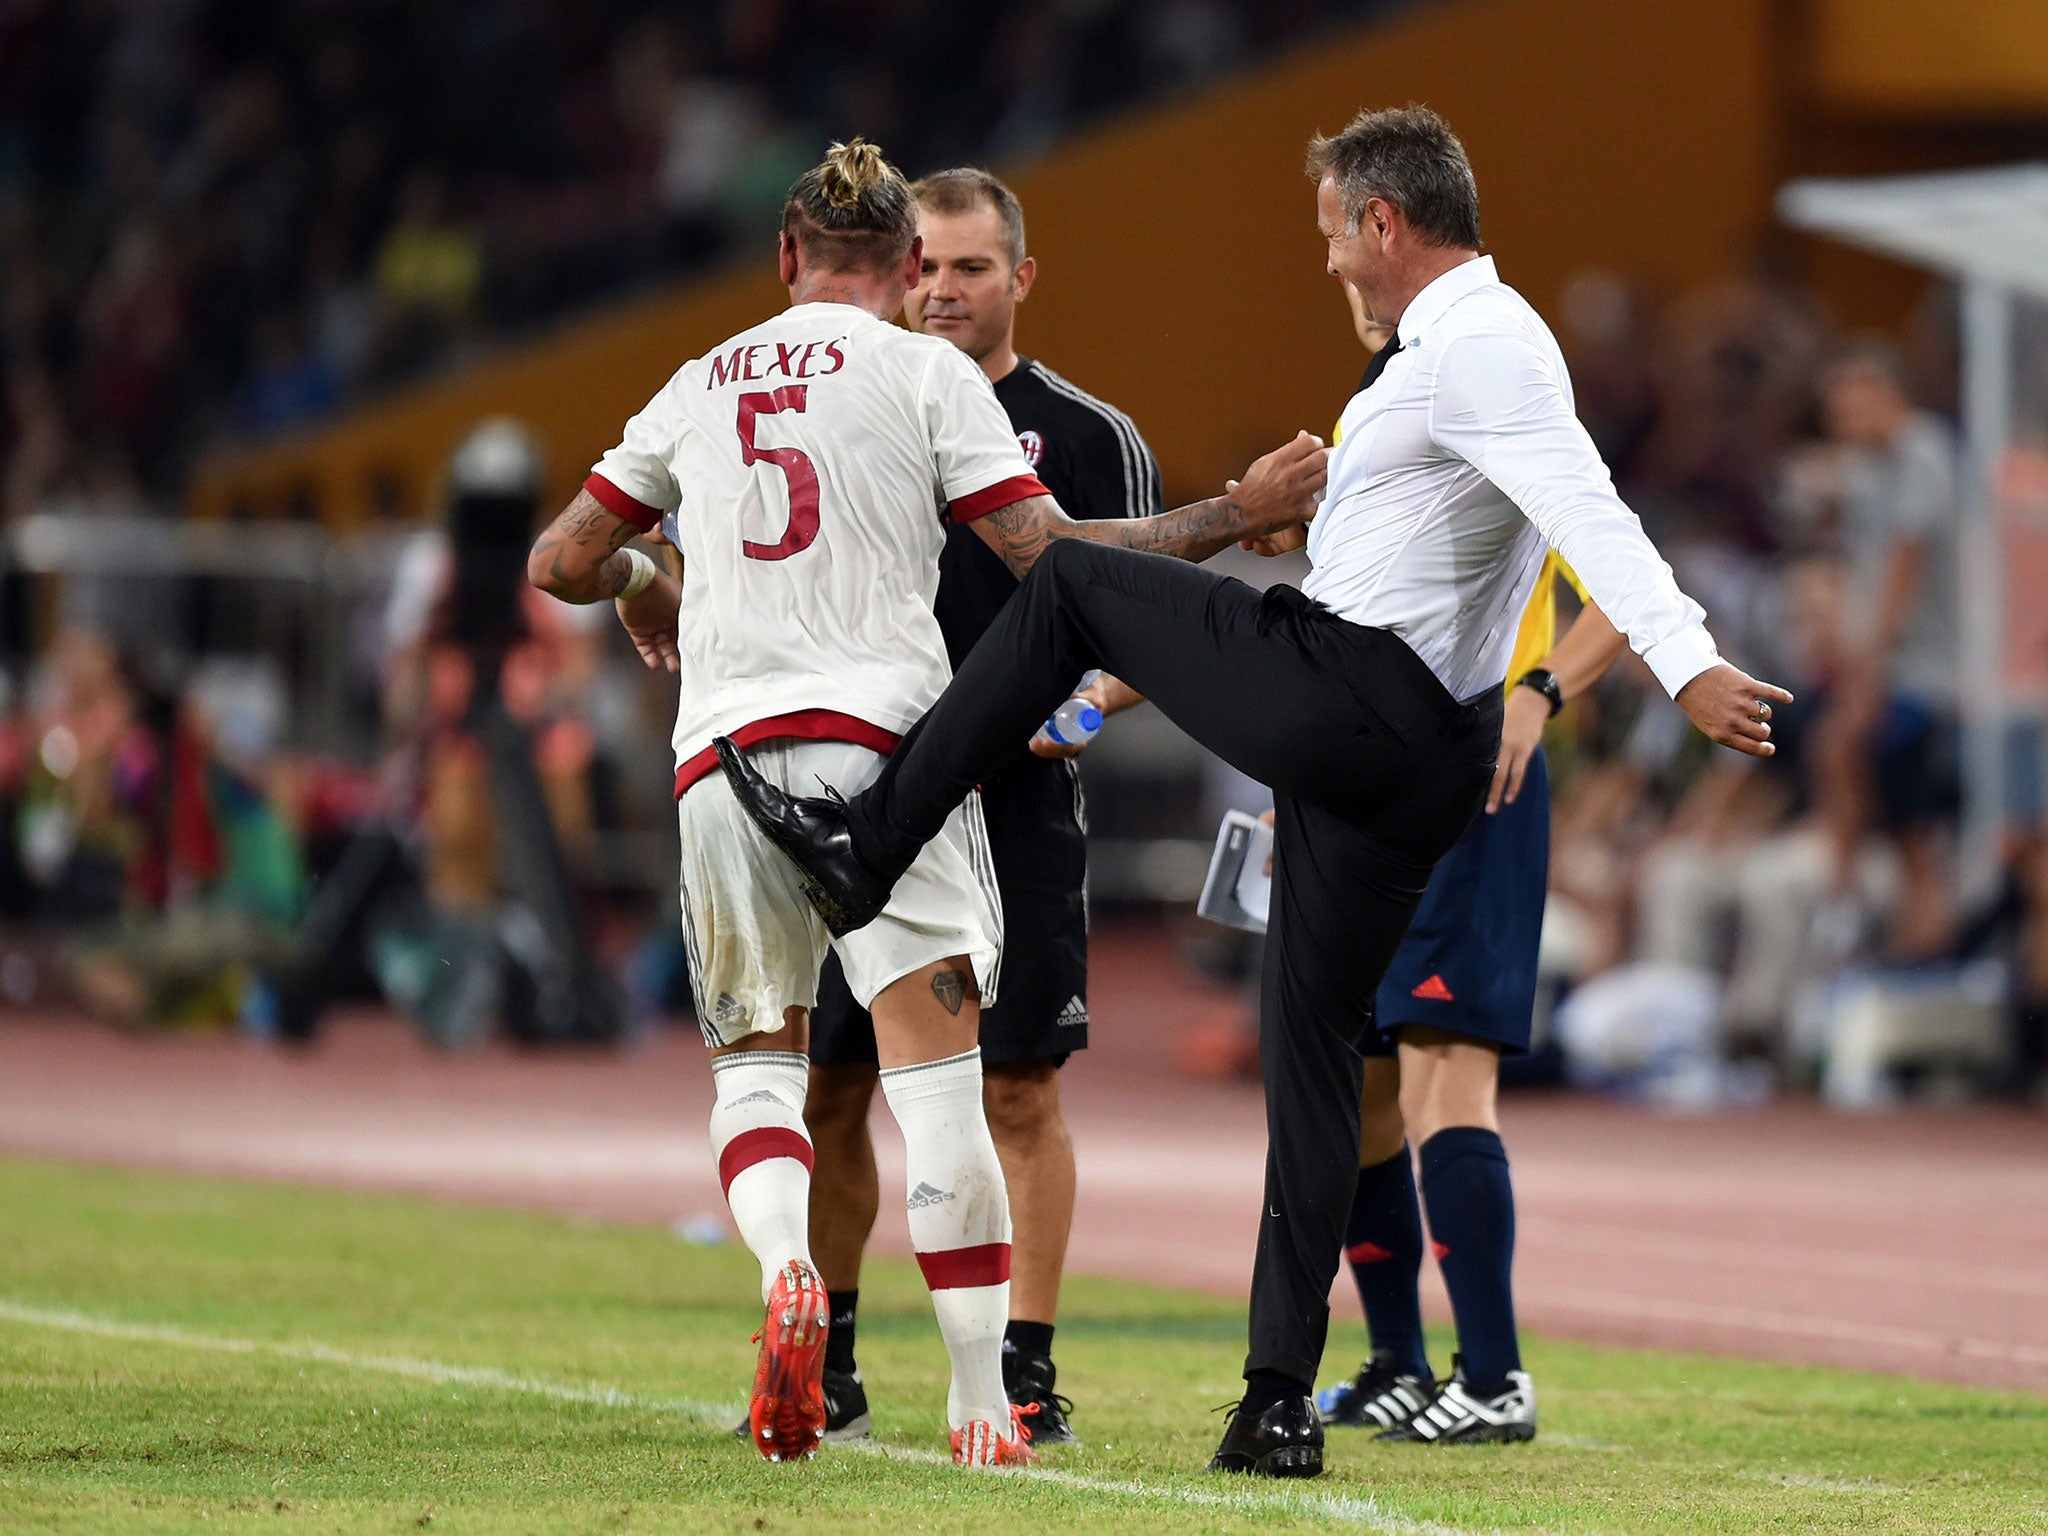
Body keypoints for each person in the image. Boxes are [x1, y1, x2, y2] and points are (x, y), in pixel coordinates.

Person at [717, 107, 1791, 1479]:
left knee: (1074, 581)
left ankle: (867, 843)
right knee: (1314, 1068)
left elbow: (1593, 513)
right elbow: (1454, 537)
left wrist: (1687, 662)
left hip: (1360, 699)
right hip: (1409, 751)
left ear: (1383, 227)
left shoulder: (1482, 341)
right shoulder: (1440, 358)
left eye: (1336, 235)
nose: (1331, 264)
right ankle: (1277, 1399)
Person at [526, 139, 1325, 1468]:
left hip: (722, 762)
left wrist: (644, 580)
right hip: (890, 761)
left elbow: (563, 557)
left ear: (784, 259)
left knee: (761, 1070)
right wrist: (1233, 513)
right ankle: (976, 1403)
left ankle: (787, 1273)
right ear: (902, 270)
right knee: (943, 1086)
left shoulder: (696, 379)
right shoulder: (924, 373)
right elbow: (1053, 554)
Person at [799, 167, 1158, 1447]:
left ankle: (1026, 1368)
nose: (943, 291)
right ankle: (826, 1364)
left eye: (970, 268)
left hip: (1011, 802)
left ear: (1021, 277)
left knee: (1017, 1093)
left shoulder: (1087, 434)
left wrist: (1091, 702)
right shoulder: (849, 406)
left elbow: (1144, 626)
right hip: (858, 793)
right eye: (927, 268)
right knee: (829, 1088)